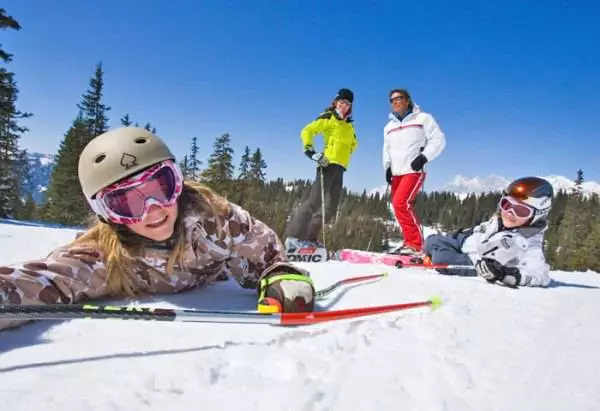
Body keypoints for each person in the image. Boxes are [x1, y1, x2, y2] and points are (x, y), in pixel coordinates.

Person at [0, 127, 315, 331]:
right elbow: (45, 280)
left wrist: (279, 276)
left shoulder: (214, 220)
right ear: (106, 215)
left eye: (160, 187)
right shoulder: (102, 257)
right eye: (126, 203)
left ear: (177, 182)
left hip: (216, 277)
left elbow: (267, 254)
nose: (153, 210)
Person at [423, 176, 554, 288]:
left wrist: (506, 274)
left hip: (476, 263)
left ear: (538, 214)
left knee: (440, 259)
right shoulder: (499, 220)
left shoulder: (529, 242)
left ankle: (435, 255)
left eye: (520, 211)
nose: (510, 213)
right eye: (506, 205)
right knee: (430, 240)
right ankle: (432, 252)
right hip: (467, 243)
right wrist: (461, 233)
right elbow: (481, 229)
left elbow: (540, 274)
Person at [284, 88, 358, 252]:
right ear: (336, 102)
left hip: (340, 168)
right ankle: (294, 238)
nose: (344, 106)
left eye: (347, 103)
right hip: (326, 164)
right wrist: (311, 152)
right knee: (314, 202)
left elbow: (354, 143)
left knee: (330, 208)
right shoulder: (328, 117)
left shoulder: (349, 126)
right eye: (341, 102)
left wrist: (346, 154)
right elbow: (307, 131)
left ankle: (310, 239)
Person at [383, 88, 446, 257]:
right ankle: (408, 243)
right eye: (392, 100)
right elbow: (386, 149)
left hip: (414, 170)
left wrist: (424, 157)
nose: (395, 101)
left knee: (401, 203)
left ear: (408, 100)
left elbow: (438, 140)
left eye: (399, 98)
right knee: (397, 207)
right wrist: (387, 167)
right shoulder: (389, 126)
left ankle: (415, 244)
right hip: (396, 172)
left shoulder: (423, 118)